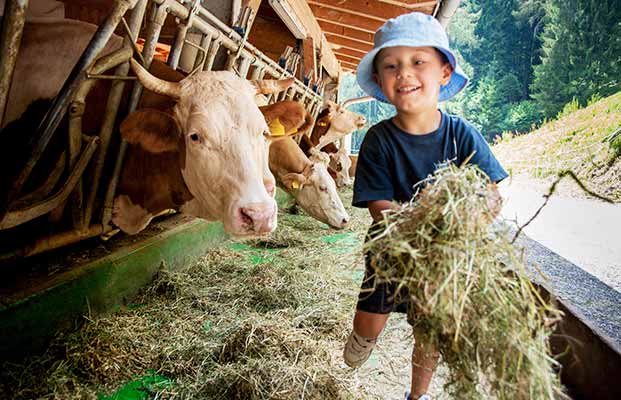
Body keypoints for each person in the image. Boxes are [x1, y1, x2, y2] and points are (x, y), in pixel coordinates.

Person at [343, 12, 508, 400]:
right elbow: (381, 207)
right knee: (371, 323)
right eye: (391, 66)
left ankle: (417, 395)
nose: (405, 74)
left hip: (443, 259)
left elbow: (491, 193)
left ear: (444, 73)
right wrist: (424, 218)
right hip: (391, 253)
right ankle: (360, 344)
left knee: (429, 331)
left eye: (418, 62)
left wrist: (466, 220)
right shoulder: (378, 141)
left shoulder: (461, 134)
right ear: (381, 83)